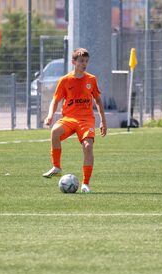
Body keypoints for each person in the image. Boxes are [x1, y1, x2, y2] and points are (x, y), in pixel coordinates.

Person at [42, 48, 107, 193]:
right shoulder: (65, 80)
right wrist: (50, 115)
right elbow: (55, 100)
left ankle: (85, 184)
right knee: (55, 132)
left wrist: (103, 121)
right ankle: (57, 167)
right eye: (81, 61)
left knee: (88, 147)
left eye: (86, 61)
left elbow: (98, 101)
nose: (84, 64)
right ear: (73, 62)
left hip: (86, 120)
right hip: (69, 118)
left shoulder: (91, 79)